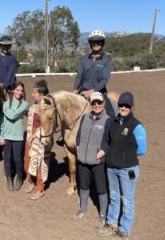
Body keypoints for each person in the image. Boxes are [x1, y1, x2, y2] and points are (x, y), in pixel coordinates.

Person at [97, 92, 147, 239]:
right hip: (111, 168)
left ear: (131, 107)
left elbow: (142, 150)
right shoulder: (112, 122)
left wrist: (125, 158)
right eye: (121, 105)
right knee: (114, 196)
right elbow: (107, 141)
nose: (124, 107)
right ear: (118, 105)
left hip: (128, 170)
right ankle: (112, 222)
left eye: (127, 105)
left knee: (127, 200)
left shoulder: (136, 126)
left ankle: (125, 230)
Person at [73, 92, 112, 229]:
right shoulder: (84, 118)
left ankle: (102, 215)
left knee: (101, 189)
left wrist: (99, 154)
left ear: (103, 103)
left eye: (99, 102)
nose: (96, 105)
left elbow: (108, 141)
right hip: (83, 159)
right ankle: (83, 210)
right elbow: (78, 136)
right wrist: (79, 148)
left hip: (98, 162)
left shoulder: (107, 120)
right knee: (83, 186)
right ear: (90, 103)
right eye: (94, 103)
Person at [73, 30, 115, 118]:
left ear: (102, 43)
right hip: (83, 92)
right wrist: (75, 89)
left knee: (111, 115)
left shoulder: (106, 60)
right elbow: (79, 76)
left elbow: (104, 79)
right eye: (93, 41)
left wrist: (93, 91)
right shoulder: (84, 59)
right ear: (90, 43)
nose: (96, 43)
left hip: (99, 92)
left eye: (98, 41)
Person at [23, 80, 53, 200]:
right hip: (30, 138)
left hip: (42, 139)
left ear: (41, 94)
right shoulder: (34, 106)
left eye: (34, 93)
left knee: (41, 163)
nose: (32, 94)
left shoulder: (48, 108)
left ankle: (40, 188)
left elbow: (49, 125)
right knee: (29, 161)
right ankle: (32, 182)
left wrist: (35, 135)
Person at [0, 81, 28, 191]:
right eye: (18, 90)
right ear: (13, 90)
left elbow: (11, 115)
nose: (19, 92)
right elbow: (1, 121)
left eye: (21, 90)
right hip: (6, 136)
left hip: (18, 136)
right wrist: (1, 135)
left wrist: (9, 112)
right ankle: (9, 178)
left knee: (18, 159)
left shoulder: (24, 104)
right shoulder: (6, 103)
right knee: (7, 159)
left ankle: (19, 177)